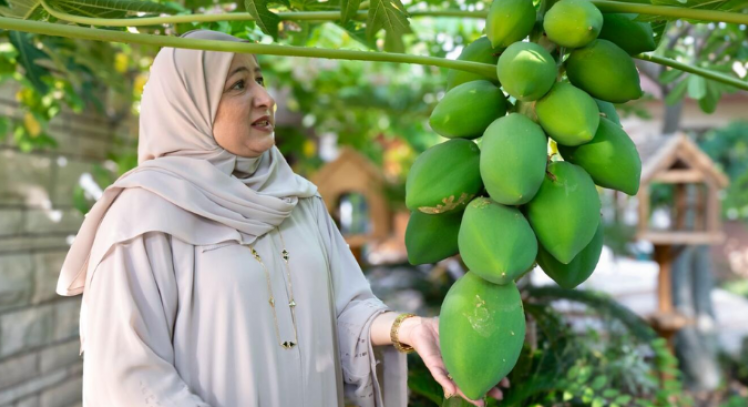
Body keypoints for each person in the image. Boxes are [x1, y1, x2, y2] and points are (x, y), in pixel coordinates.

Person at [56, 29, 508, 407]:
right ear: (188, 107)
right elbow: (129, 378)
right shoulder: (143, 218)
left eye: (260, 78)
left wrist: (406, 328)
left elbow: (344, 308)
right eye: (238, 85)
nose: (265, 98)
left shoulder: (298, 199)